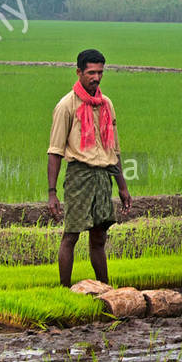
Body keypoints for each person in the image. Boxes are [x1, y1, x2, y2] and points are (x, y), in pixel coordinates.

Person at [46, 49, 132, 287]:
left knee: (99, 237)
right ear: (79, 72)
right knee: (71, 234)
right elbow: (55, 151)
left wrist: (122, 186)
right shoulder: (66, 106)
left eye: (100, 73)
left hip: (103, 176)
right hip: (79, 175)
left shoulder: (107, 105)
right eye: (91, 72)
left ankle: (105, 288)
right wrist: (52, 193)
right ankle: (64, 290)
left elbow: (113, 150)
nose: (96, 78)